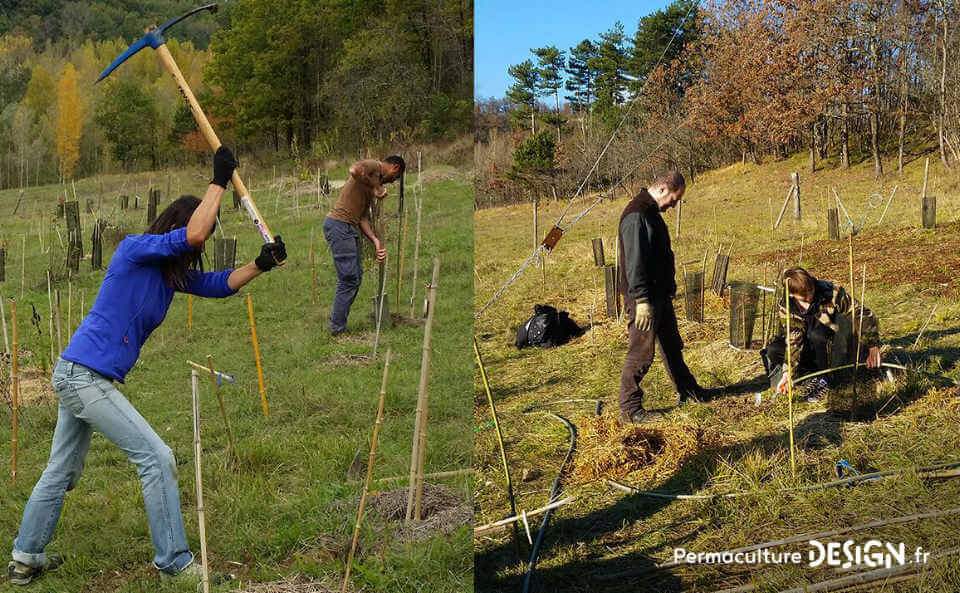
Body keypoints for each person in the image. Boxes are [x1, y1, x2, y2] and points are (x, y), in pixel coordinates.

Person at [8, 147, 287, 585]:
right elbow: (194, 236)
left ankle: (25, 557)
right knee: (156, 457)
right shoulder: (136, 250)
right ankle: (174, 563)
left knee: (61, 470)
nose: (205, 242)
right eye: (206, 230)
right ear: (179, 225)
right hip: (84, 376)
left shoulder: (168, 274)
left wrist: (259, 264)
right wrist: (218, 180)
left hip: (78, 373)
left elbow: (217, 285)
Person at [617, 170, 708, 424]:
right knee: (641, 353)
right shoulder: (637, 215)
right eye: (674, 198)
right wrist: (642, 302)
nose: (674, 205)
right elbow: (634, 264)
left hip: (659, 295)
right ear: (663, 189)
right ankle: (630, 408)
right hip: (645, 299)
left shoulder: (650, 213)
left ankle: (688, 391)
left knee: (672, 346)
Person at [762, 267, 880, 402]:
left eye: (811, 292)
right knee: (774, 349)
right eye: (804, 298)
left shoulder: (830, 292)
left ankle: (828, 379)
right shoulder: (787, 306)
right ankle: (811, 377)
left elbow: (860, 313)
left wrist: (872, 345)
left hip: (834, 344)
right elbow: (794, 339)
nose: (810, 298)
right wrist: (788, 372)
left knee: (817, 335)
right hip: (807, 346)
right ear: (791, 295)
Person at [322, 155, 404, 335]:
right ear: (395, 168)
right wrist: (376, 186)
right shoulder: (374, 166)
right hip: (339, 225)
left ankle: (338, 324)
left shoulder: (372, 180)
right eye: (395, 178)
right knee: (349, 279)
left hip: (349, 227)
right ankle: (337, 329)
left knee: (356, 277)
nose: (391, 182)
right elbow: (354, 170)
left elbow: (362, 217)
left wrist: (375, 241)